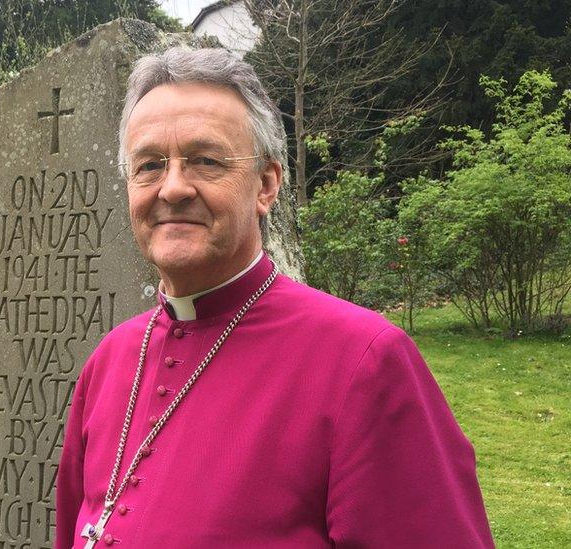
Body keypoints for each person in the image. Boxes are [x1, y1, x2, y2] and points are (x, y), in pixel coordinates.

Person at [54, 47, 494, 548]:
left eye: (205, 161)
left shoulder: (365, 361)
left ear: (266, 184)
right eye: (150, 165)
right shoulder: (108, 361)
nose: (172, 188)